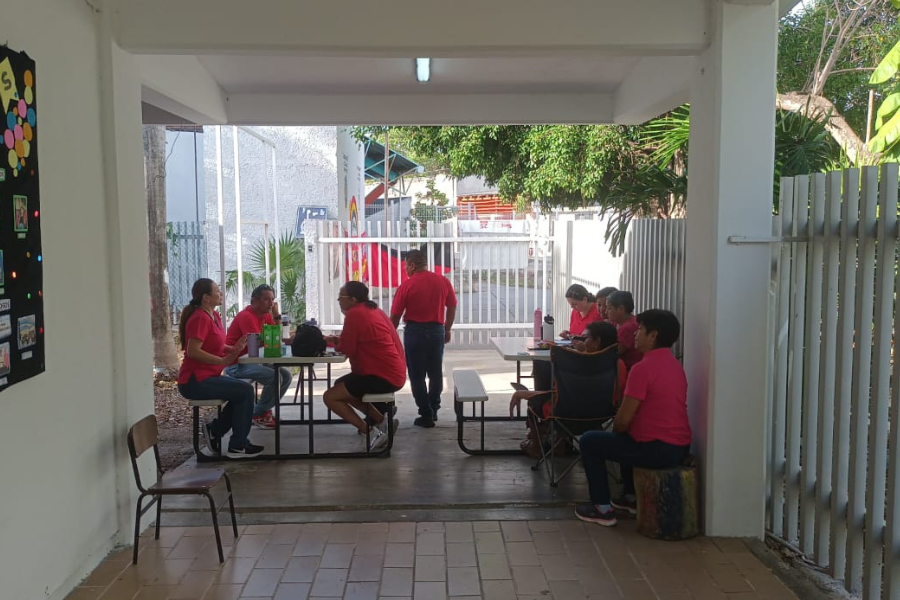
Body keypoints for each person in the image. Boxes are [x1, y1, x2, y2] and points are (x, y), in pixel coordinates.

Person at [575, 309, 692, 527]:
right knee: (626, 437)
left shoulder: (642, 369)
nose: (635, 334)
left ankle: (602, 508)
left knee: (590, 440)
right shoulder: (675, 366)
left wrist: (618, 432)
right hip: (680, 447)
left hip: (657, 449)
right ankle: (630, 497)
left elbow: (622, 421)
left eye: (641, 330)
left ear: (653, 335)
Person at [177, 278, 263, 458]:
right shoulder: (200, 318)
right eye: (217, 291)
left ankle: (215, 430)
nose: (221, 293)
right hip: (195, 380)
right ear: (206, 297)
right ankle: (238, 445)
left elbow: (213, 343)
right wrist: (222, 361)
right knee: (245, 391)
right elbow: (193, 351)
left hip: (209, 376)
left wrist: (232, 349)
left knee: (242, 392)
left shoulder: (214, 316)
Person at [510, 322, 625, 457]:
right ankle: (559, 445)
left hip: (564, 416)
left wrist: (522, 393)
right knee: (567, 403)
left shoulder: (574, 366)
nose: (580, 340)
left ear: (597, 342)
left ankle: (536, 448)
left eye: (584, 338)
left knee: (538, 403)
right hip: (602, 415)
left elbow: (555, 395)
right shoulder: (618, 365)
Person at [323, 281, 407, 452]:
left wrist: (331, 342)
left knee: (330, 397)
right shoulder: (373, 310)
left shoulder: (355, 314)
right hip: (392, 372)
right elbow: (353, 342)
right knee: (340, 386)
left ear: (352, 299)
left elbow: (347, 349)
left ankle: (370, 432)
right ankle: (382, 421)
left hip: (382, 376)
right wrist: (337, 341)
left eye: (341, 297)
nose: (339, 300)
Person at [390, 248, 458, 427]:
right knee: (435, 373)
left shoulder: (406, 286)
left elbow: (395, 316)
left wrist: (389, 336)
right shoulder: (442, 281)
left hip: (415, 333)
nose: (405, 269)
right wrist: (447, 328)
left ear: (412, 265)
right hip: (437, 332)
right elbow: (452, 306)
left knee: (417, 375)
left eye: (406, 266)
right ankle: (434, 408)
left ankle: (425, 412)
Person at [223, 284, 292, 429]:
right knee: (274, 377)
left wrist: (277, 316)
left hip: (255, 361)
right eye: (266, 299)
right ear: (254, 300)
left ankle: (260, 412)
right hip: (236, 364)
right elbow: (263, 340)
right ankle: (256, 413)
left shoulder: (266, 315)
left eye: (272, 299)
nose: (271, 303)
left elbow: (275, 336)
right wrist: (279, 337)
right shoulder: (246, 316)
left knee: (286, 376)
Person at [606, 290, 642, 370]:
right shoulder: (617, 322)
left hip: (628, 369)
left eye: (609, 308)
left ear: (621, 308)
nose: (606, 312)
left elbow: (614, 353)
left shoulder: (629, 327)